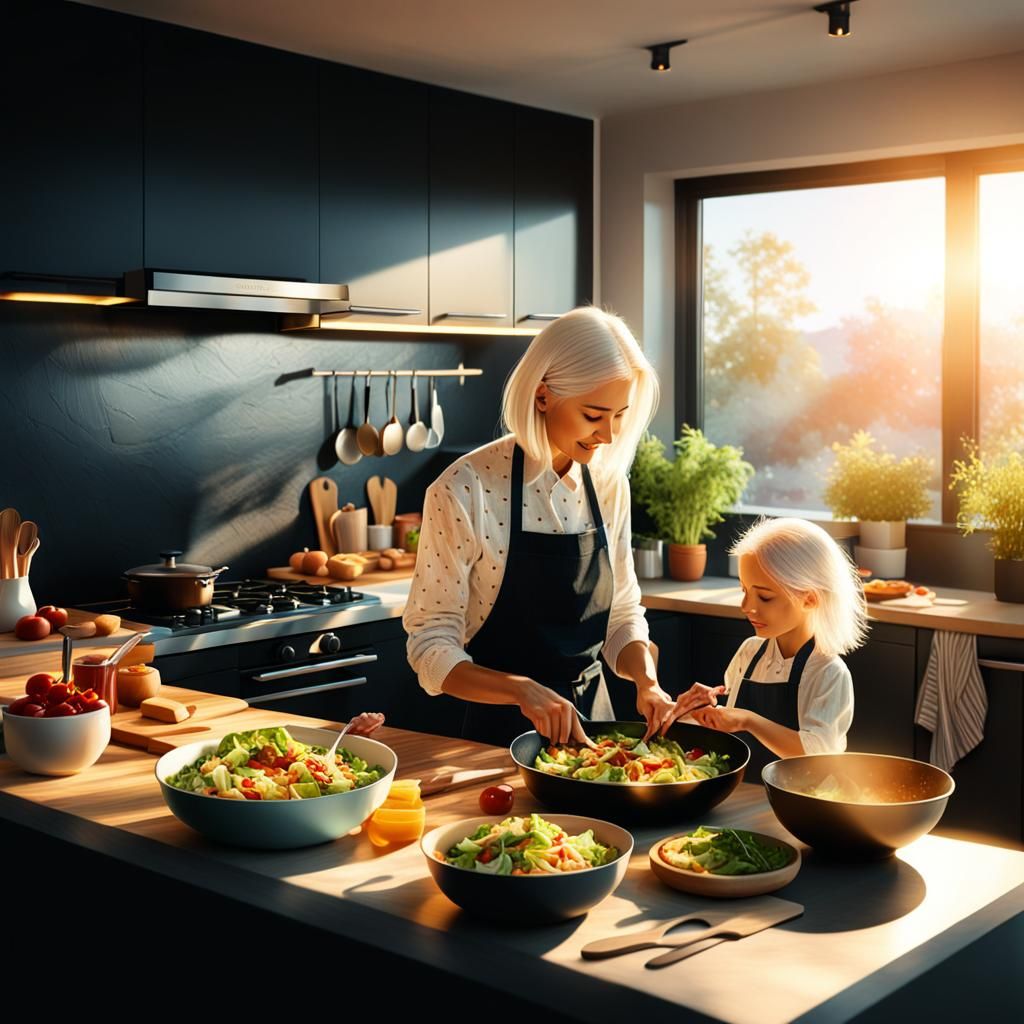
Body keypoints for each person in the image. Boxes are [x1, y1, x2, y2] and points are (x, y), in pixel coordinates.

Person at [403, 307, 691, 747]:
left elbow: (622, 616)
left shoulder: (608, 483)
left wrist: (646, 680)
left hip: (598, 735)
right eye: (594, 416)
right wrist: (521, 690)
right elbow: (429, 645)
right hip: (495, 736)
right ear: (542, 397)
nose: (609, 436)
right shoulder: (465, 488)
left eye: (619, 416)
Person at [666, 517, 868, 776]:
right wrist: (699, 710)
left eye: (764, 596)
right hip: (740, 792)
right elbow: (729, 728)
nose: (746, 606)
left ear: (809, 599)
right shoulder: (750, 652)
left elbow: (819, 756)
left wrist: (749, 720)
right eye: (744, 590)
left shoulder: (827, 671)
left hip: (797, 803)